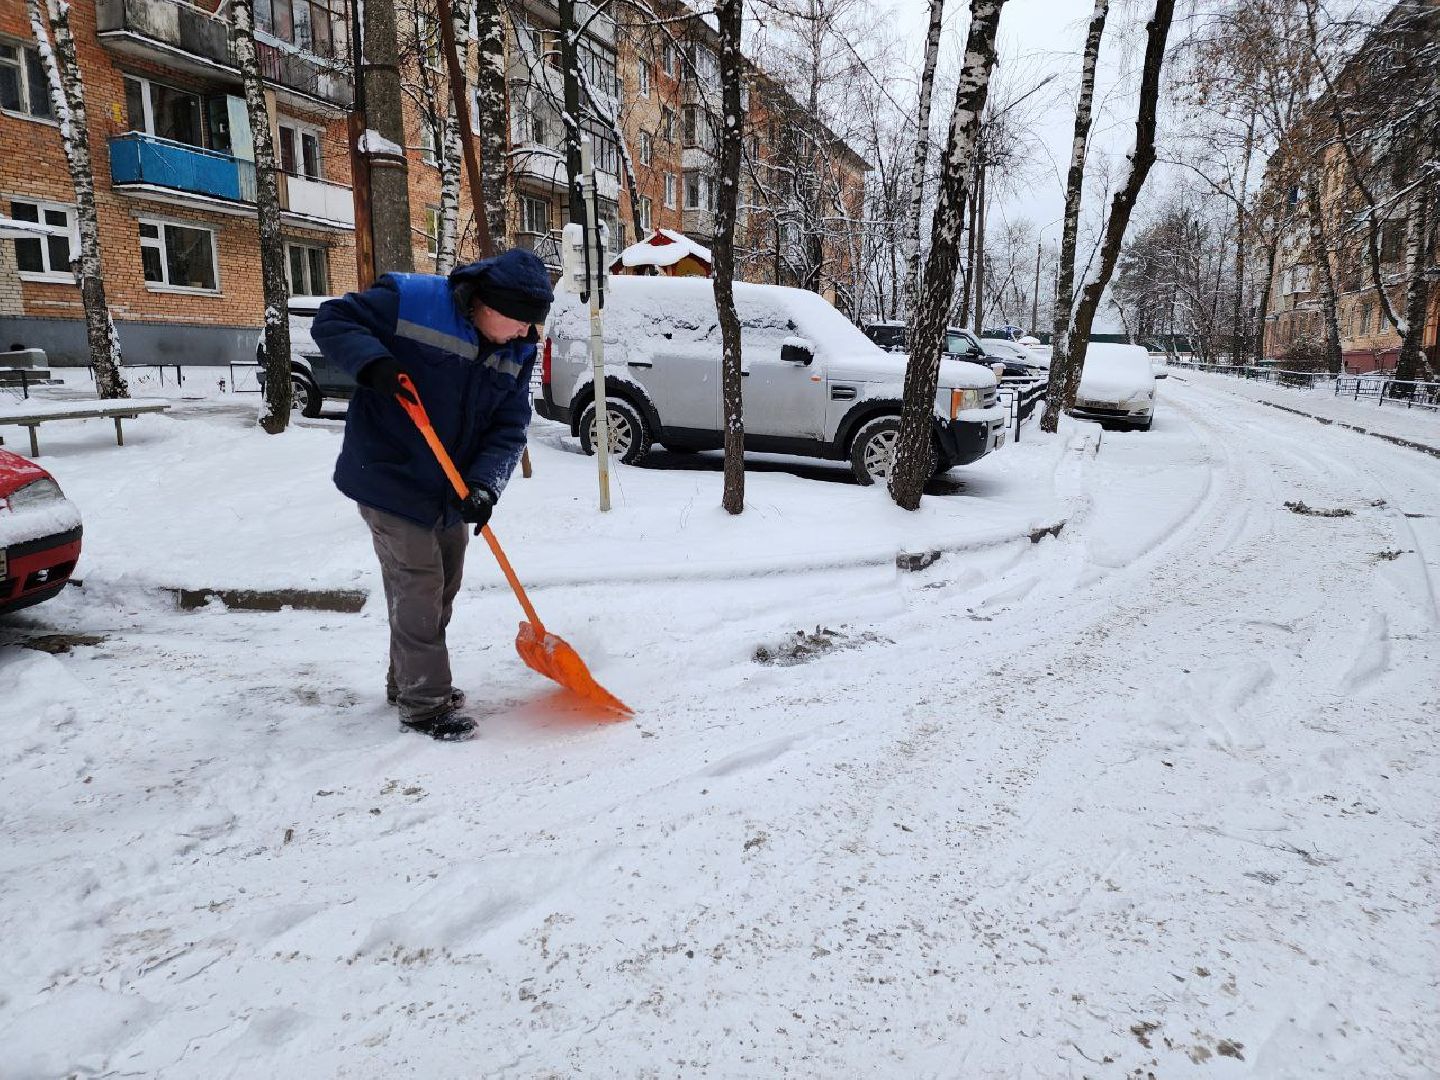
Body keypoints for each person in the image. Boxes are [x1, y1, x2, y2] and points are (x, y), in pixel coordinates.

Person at [312, 249, 554, 742]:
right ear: (486, 302)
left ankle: (407, 681)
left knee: (443, 583)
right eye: (520, 322)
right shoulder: (413, 300)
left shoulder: (517, 350)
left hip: (450, 486)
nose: (527, 335)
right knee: (418, 584)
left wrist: (486, 486)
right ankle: (424, 705)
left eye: (535, 325)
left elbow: (510, 428)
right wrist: (374, 363)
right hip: (389, 474)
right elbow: (333, 320)